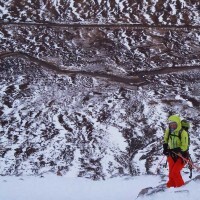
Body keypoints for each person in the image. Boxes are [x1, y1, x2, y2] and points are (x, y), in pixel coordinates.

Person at [163, 114, 189, 188]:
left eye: (174, 124)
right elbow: (165, 139)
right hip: (171, 155)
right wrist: (165, 147)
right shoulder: (169, 131)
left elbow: (185, 146)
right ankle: (170, 187)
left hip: (182, 156)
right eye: (171, 124)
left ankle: (180, 188)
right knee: (171, 173)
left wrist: (177, 149)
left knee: (174, 172)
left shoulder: (183, 132)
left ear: (178, 123)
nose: (172, 126)